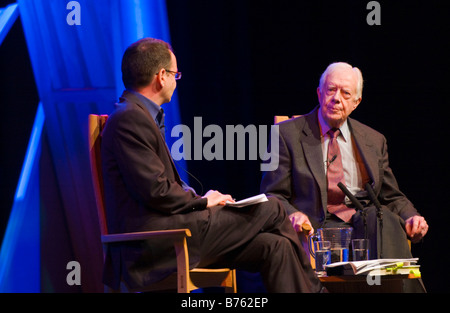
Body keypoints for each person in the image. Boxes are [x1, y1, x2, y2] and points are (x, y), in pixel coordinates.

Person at [100, 37, 325, 293]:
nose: (176, 81)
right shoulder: (129, 118)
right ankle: (318, 291)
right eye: (176, 74)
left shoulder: (137, 115)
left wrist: (201, 198)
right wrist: (203, 202)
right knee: (272, 208)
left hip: (176, 233)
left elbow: (160, 186)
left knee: (276, 246)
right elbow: (156, 191)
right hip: (157, 244)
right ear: (161, 76)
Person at [260, 62, 429, 260]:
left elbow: (391, 196)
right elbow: (272, 194)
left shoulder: (374, 140)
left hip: (365, 224)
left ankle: (393, 284)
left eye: (345, 94)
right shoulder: (285, 135)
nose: (336, 99)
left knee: (385, 219)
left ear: (356, 102)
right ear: (319, 93)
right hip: (317, 227)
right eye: (331, 90)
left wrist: (412, 217)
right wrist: (293, 215)